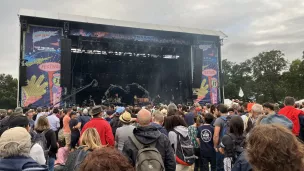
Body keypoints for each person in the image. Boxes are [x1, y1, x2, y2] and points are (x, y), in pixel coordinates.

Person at [213, 104, 228, 171]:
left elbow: (216, 135)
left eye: (216, 110)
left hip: (221, 146)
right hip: (229, 145)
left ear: (219, 111)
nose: (215, 111)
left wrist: (215, 146)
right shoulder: (230, 118)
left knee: (220, 166)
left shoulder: (218, 120)